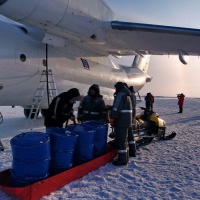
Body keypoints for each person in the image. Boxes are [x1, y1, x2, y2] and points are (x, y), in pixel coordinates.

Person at [110, 82, 132, 166]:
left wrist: (113, 118)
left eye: (116, 88)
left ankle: (122, 160)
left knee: (121, 140)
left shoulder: (120, 94)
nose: (115, 89)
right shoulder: (127, 95)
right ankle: (125, 158)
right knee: (124, 140)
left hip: (121, 122)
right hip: (126, 122)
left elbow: (116, 108)